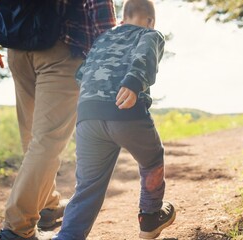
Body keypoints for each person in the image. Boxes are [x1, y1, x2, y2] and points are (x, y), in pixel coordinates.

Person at [0, 1, 116, 240]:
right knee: (47, 141)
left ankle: (47, 205)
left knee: (34, 138)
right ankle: (17, 227)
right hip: (62, 49)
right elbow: (99, 7)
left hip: (18, 47)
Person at [52, 0, 176, 239]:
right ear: (151, 21)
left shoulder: (102, 39)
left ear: (122, 19)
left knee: (87, 185)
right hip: (125, 112)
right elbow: (145, 55)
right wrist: (133, 82)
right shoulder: (149, 34)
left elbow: (81, 73)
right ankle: (150, 217)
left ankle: (67, 236)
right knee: (152, 160)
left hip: (87, 117)